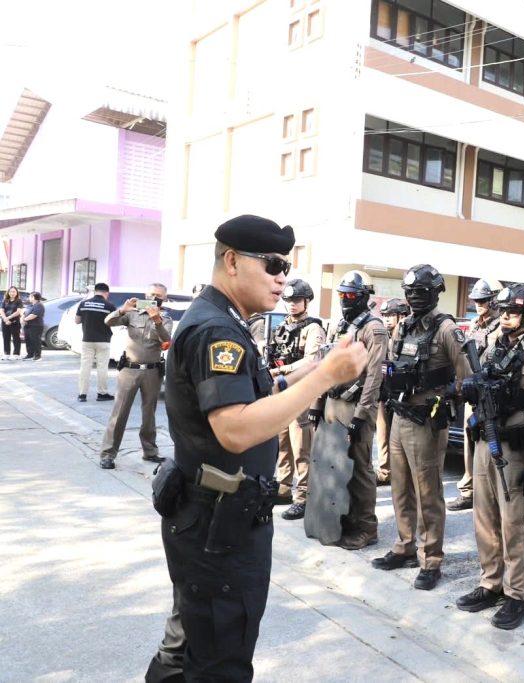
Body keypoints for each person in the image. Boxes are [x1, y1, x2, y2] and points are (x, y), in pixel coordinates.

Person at [148, 214, 368, 680]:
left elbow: (247, 395)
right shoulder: (216, 330)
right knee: (219, 663)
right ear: (232, 261)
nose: (282, 278)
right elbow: (235, 429)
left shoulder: (220, 318)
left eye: (285, 266)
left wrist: (309, 370)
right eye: (272, 264)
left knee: (185, 646)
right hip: (218, 528)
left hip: (211, 517)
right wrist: (326, 378)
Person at [456, 284, 524, 629]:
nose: (506, 317)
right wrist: (469, 387)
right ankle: (491, 583)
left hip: (514, 450)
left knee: (512, 524)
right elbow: (474, 381)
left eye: (513, 312)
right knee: (483, 519)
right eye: (503, 311)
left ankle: (518, 594)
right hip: (486, 441)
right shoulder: (492, 347)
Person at [372, 264, 470, 591]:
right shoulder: (403, 326)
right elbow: (391, 365)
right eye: (410, 291)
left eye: (421, 291)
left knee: (428, 493)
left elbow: (467, 378)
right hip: (399, 416)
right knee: (400, 487)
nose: (414, 297)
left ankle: (431, 559)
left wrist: (443, 394)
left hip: (426, 421)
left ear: (436, 293)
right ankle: (405, 546)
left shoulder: (446, 330)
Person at [319, 270, 388, 550]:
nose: (345, 299)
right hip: (333, 403)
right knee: (333, 465)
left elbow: (374, 376)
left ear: (364, 297)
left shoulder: (374, 328)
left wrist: (361, 415)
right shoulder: (341, 325)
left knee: (359, 468)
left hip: (356, 405)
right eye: (342, 294)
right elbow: (326, 365)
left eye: (351, 295)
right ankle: (343, 523)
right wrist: (317, 404)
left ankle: (367, 528)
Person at [267, 278, 327, 520]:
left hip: (301, 392)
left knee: (301, 447)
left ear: (307, 302)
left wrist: (282, 370)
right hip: (281, 391)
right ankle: (284, 488)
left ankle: (303, 497)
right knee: (282, 444)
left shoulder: (313, 328)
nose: (292, 304)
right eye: (289, 300)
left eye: (297, 300)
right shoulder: (282, 326)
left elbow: (312, 360)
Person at [98, 283, 174, 470]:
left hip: (152, 371)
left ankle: (150, 451)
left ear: (164, 298)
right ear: (145, 295)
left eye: (159, 296)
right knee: (120, 412)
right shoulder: (132, 314)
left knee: (149, 414)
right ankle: (108, 454)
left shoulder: (165, 319)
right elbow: (108, 322)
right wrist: (122, 310)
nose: (155, 298)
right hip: (130, 370)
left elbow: (166, 340)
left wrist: (157, 321)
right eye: (152, 294)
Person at [449, 277, 504, 513]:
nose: (478, 304)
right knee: (469, 441)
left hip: (491, 393)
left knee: (492, 444)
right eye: (476, 300)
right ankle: (469, 491)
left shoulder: (502, 326)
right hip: (472, 392)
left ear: (494, 301)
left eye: (483, 300)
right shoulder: (474, 325)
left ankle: (493, 494)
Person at [375, 297, 409, 485]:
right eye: (385, 315)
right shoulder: (384, 336)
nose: (387, 319)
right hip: (383, 390)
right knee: (382, 433)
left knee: (400, 437)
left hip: (402, 393)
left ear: (402, 316)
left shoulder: (407, 336)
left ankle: (398, 472)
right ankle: (385, 471)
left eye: (391, 315)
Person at [75, 283, 117, 399]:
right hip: (103, 340)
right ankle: (102, 393)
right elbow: (114, 322)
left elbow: (77, 321)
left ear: (95, 291)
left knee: (85, 367)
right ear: (106, 293)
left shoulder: (83, 303)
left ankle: (82, 394)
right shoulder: (109, 305)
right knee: (102, 367)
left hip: (87, 340)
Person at [21, 292, 45, 361]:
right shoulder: (30, 305)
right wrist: (22, 319)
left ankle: (38, 356)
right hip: (27, 325)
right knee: (28, 340)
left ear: (33, 297)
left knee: (35, 341)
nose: (29, 298)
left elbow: (34, 315)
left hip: (36, 326)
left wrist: (24, 319)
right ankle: (30, 355)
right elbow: (24, 313)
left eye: (30, 296)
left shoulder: (39, 305)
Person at [1, 286, 23, 360]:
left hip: (15, 322)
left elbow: (18, 312)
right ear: (8, 292)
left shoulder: (19, 301)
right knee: (6, 338)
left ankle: (16, 354)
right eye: (10, 291)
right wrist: (5, 319)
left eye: (14, 291)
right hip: (5, 322)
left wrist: (8, 318)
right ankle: (6, 354)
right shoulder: (5, 300)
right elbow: (1, 310)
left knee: (16, 338)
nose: (12, 293)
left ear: (16, 293)